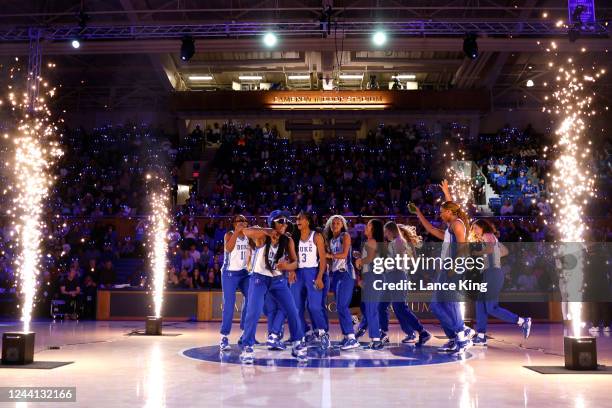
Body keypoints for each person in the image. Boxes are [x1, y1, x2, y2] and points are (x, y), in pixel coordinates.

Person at [410, 180, 473, 356]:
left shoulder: (458, 224)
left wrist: (454, 266)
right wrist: (418, 213)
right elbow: (430, 229)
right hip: (446, 268)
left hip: (453, 268)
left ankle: (461, 336)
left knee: (450, 304)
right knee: (436, 305)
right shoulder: (450, 226)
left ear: (449, 212)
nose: (439, 214)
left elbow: (463, 247)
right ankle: (458, 334)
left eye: (441, 211)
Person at [239, 210, 307, 364]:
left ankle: (297, 343)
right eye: (280, 220)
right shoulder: (263, 236)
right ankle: (248, 347)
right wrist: (265, 230)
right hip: (259, 278)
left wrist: (287, 266)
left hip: (278, 279)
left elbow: (296, 262)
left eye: (286, 221)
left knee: (292, 310)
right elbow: (245, 231)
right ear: (272, 222)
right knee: (253, 311)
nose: (284, 224)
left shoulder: (287, 240)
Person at [470, 219, 532, 346]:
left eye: (476, 228)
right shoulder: (488, 238)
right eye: (473, 228)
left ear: (483, 227)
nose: (474, 230)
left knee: (491, 307)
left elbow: (491, 249)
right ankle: (481, 336)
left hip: (493, 274)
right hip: (488, 274)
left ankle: (522, 321)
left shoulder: (487, 235)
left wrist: (478, 253)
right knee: (480, 304)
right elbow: (505, 251)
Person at [378, 221, 432, 346]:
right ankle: (384, 333)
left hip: (397, 276)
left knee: (400, 307)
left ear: (390, 230)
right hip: (391, 276)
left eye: (386, 231)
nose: (384, 234)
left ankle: (422, 332)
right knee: (382, 306)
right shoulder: (394, 243)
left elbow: (398, 261)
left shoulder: (398, 242)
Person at [291, 211, 329, 348]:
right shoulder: (294, 237)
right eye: (296, 219)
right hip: (298, 273)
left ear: (307, 221)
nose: (298, 221)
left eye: (300, 218)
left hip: (312, 272)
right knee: (296, 307)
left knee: (314, 306)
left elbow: (323, 260)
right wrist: (291, 271)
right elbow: (291, 257)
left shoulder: (316, 236)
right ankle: (304, 333)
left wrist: (319, 277)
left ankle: (323, 332)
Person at [324, 215, 359, 350]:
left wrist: (329, 255)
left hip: (346, 273)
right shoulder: (331, 240)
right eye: (333, 223)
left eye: (338, 222)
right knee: (340, 306)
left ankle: (351, 337)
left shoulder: (345, 236)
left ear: (342, 225)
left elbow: (344, 255)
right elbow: (331, 260)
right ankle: (346, 336)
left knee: (342, 305)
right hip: (336, 274)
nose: (335, 224)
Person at [219, 215, 252, 351]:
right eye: (239, 221)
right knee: (229, 305)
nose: (243, 223)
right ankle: (224, 337)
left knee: (251, 299)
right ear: (234, 224)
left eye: (244, 221)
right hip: (229, 273)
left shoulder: (249, 237)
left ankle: (244, 332)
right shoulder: (229, 234)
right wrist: (237, 232)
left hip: (244, 273)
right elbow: (229, 248)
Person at [354, 219, 386, 350]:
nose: (366, 227)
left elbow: (370, 259)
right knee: (370, 309)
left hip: (373, 276)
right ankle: (376, 337)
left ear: (373, 229)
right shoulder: (373, 242)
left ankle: (377, 339)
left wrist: (360, 260)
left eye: (368, 226)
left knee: (371, 310)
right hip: (373, 276)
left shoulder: (371, 241)